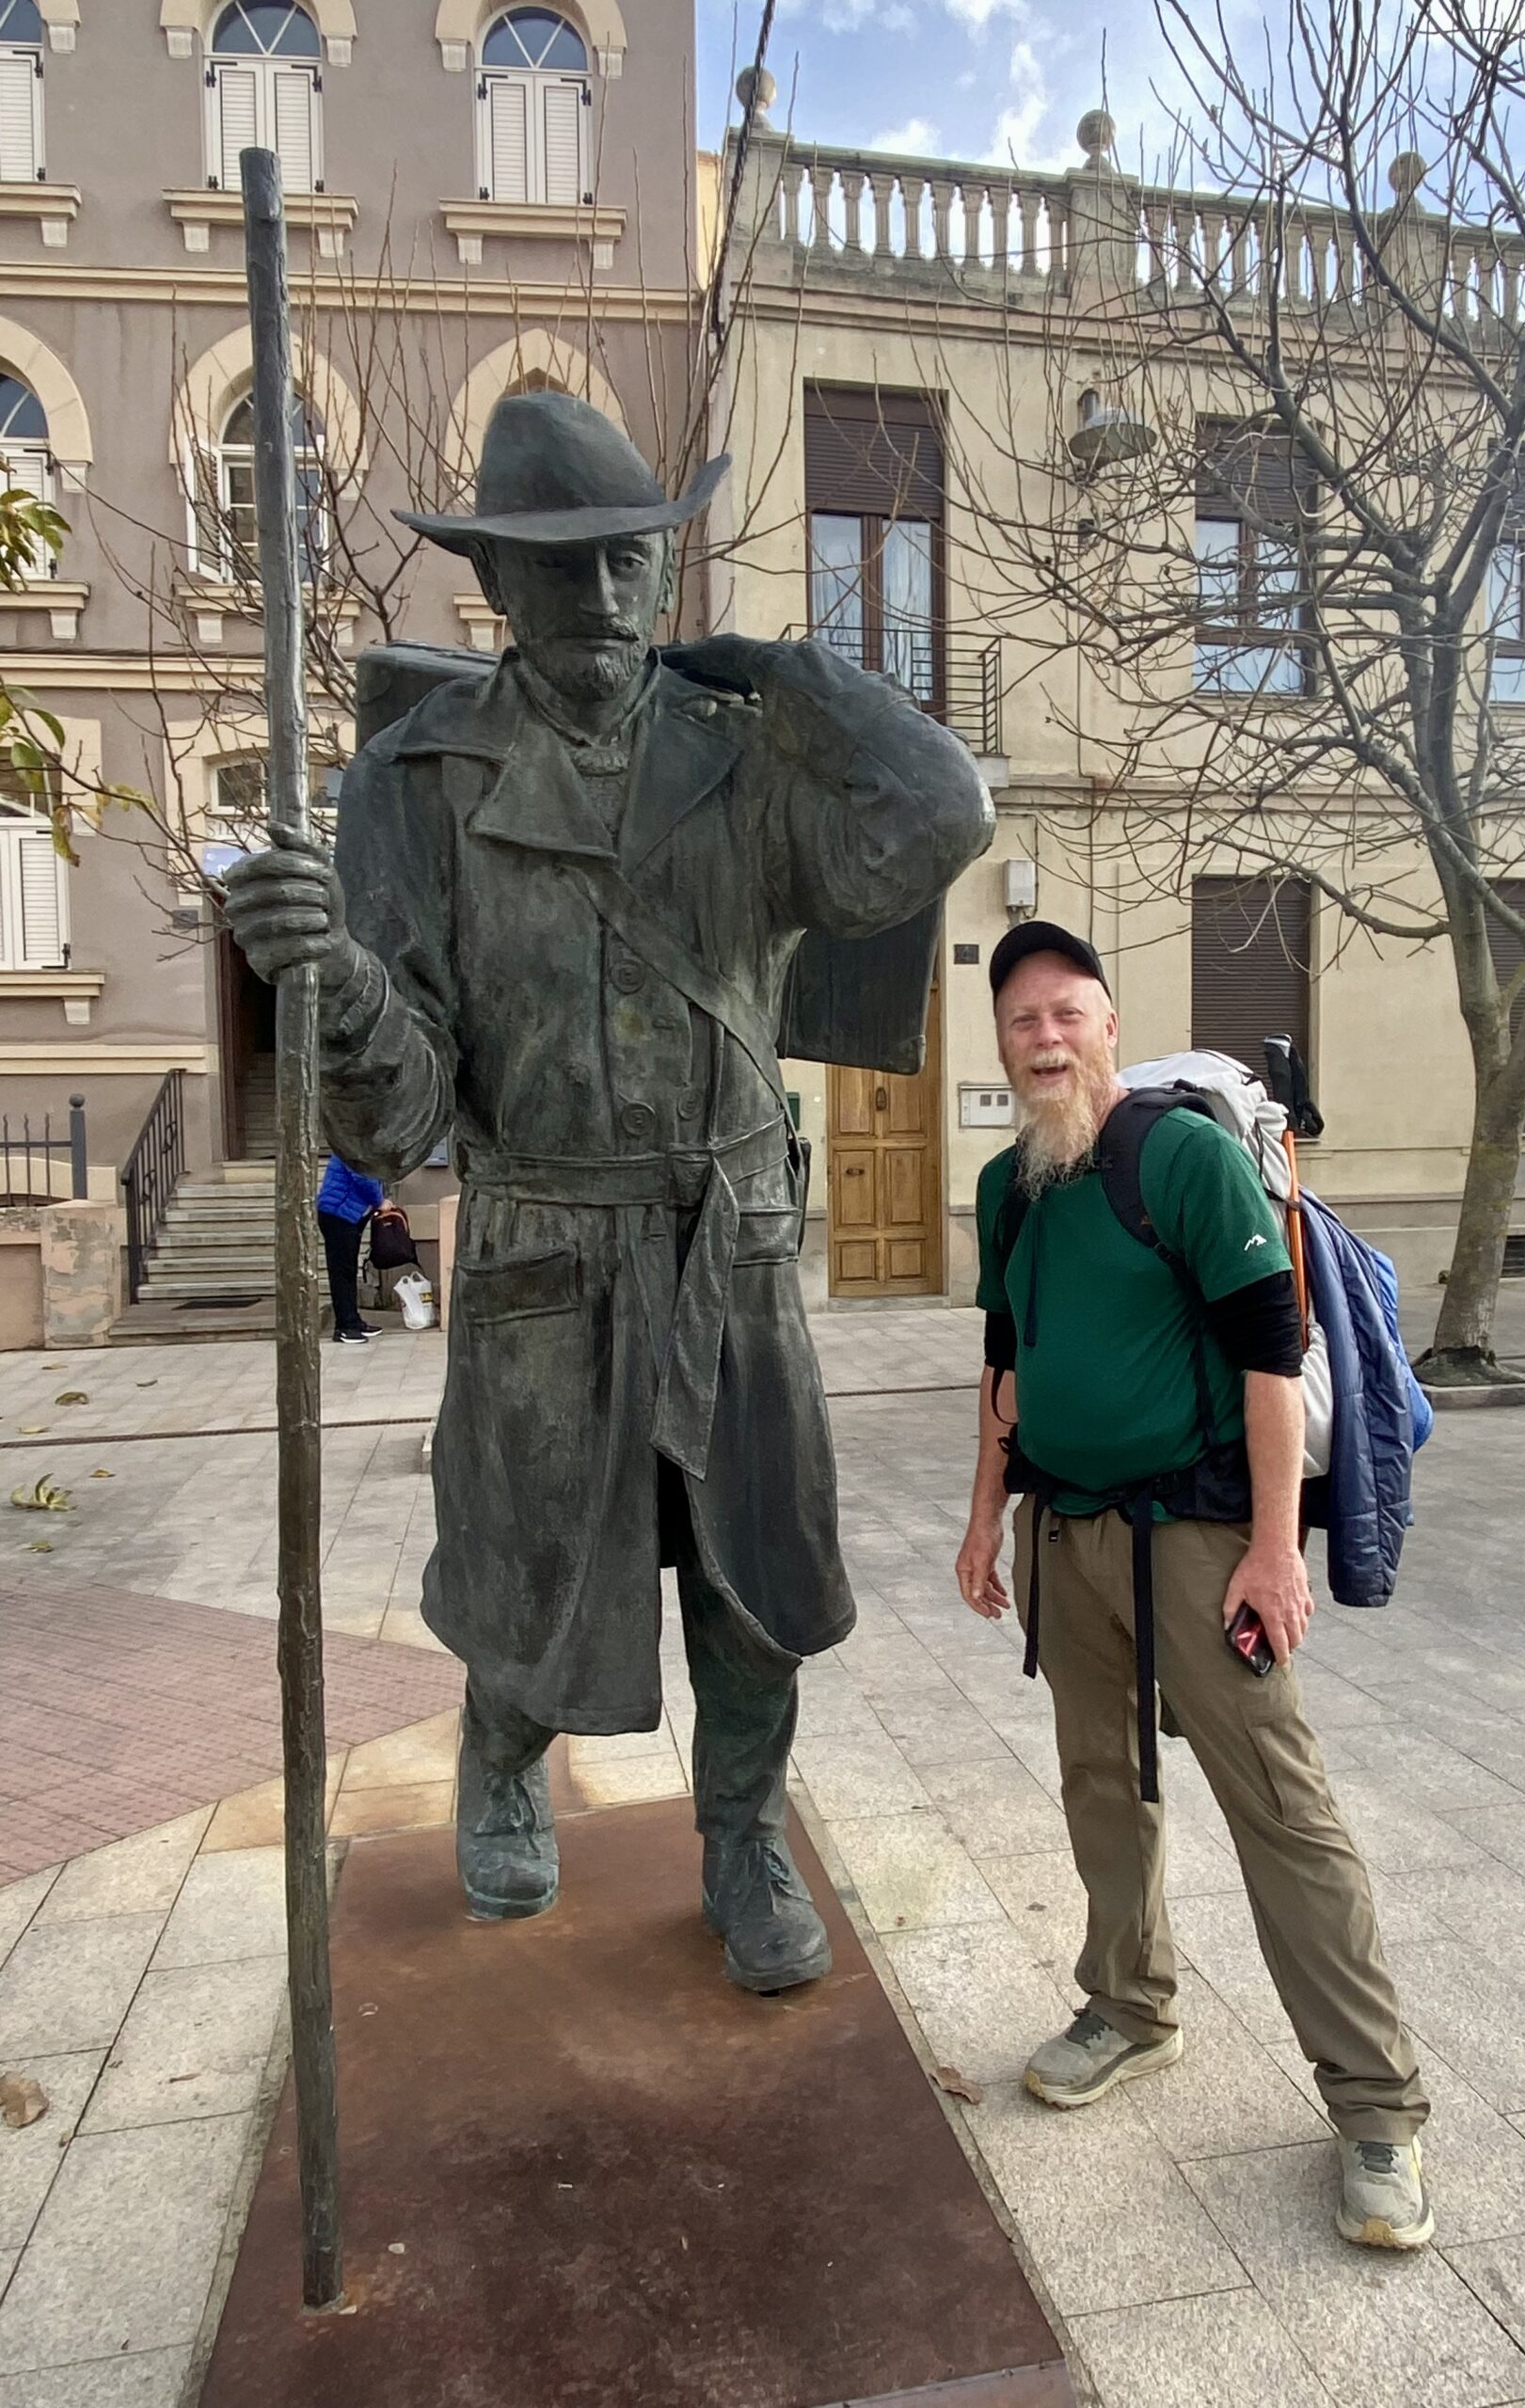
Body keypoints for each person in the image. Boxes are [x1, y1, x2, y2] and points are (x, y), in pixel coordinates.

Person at [222, 391, 993, 1990]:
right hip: (544, 1244)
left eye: (629, 559)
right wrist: (336, 981)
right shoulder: (417, 782)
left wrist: (788, 671)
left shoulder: (747, 752)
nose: (602, 594)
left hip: (732, 1245)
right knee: (534, 1563)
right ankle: (503, 1767)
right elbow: (404, 1112)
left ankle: (743, 1836)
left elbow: (942, 816)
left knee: (753, 1578)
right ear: (494, 579)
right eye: (560, 565)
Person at [954, 922, 1432, 2249]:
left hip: (1200, 1540)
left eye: (1067, 1012)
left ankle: (1377, 2108)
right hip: (1065, 1535)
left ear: (1109, 1023)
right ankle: (1130, 2004)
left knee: (1281, 1807)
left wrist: (1277, 1551)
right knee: (1100, 1784)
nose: (1045, 1038)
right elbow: (1004, 1363)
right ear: (1004, 1046)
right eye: (1022, 1021)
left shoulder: (1183, 1159)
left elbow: (1273, 1356)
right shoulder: (1007, 1188)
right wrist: (984, 1518)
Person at [315, 1151, 384, 1344]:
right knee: (342, 1272)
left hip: (346, 1214)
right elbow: (363, 1176)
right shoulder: (353, 1145)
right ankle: (345, 1327)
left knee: (348, 1270)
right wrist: (380, 1201)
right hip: (338, 1213)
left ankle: (352, 1320)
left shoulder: (358, 1143)